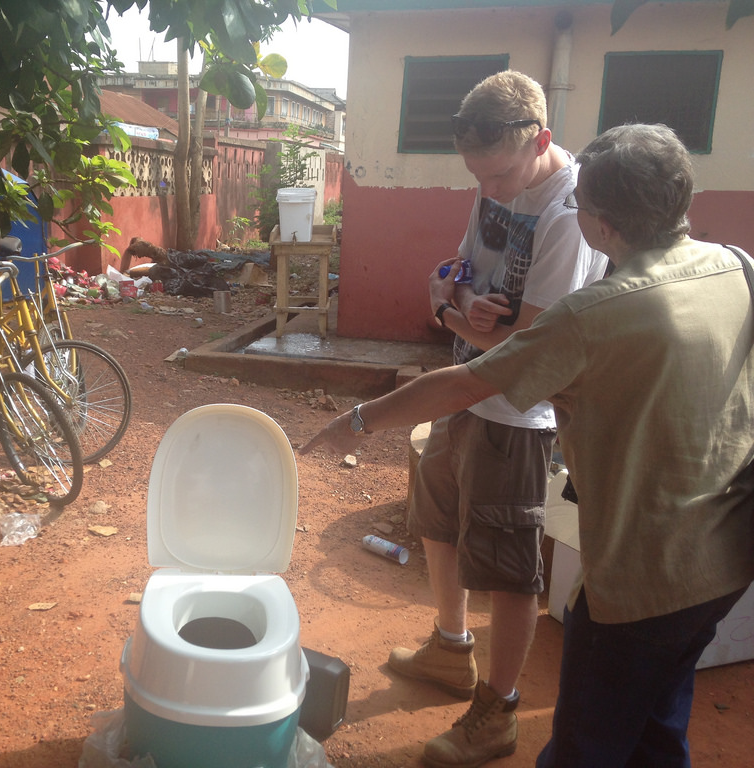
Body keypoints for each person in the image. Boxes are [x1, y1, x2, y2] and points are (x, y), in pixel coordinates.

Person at [301, 122, 754, 768]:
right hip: (725, 560)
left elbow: (462, 383)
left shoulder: (594, 314)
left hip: (642, 579)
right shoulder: (736, 265)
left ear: (598, 224)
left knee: (583, 744)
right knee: (658, 719)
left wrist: (356, 421)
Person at [377, 70, 606, 767]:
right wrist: (460, 291)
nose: (491, 190)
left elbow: (527, 347)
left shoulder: (570, 216)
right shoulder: (492, 186)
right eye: (478, 177)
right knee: (439, 523)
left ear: (540, 139)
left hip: (521, 411)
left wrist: (444, 310)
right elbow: (462, 266)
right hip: (465, 387)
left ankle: (498, 713)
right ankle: (451, 651)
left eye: (501, 175)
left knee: (508, 565)